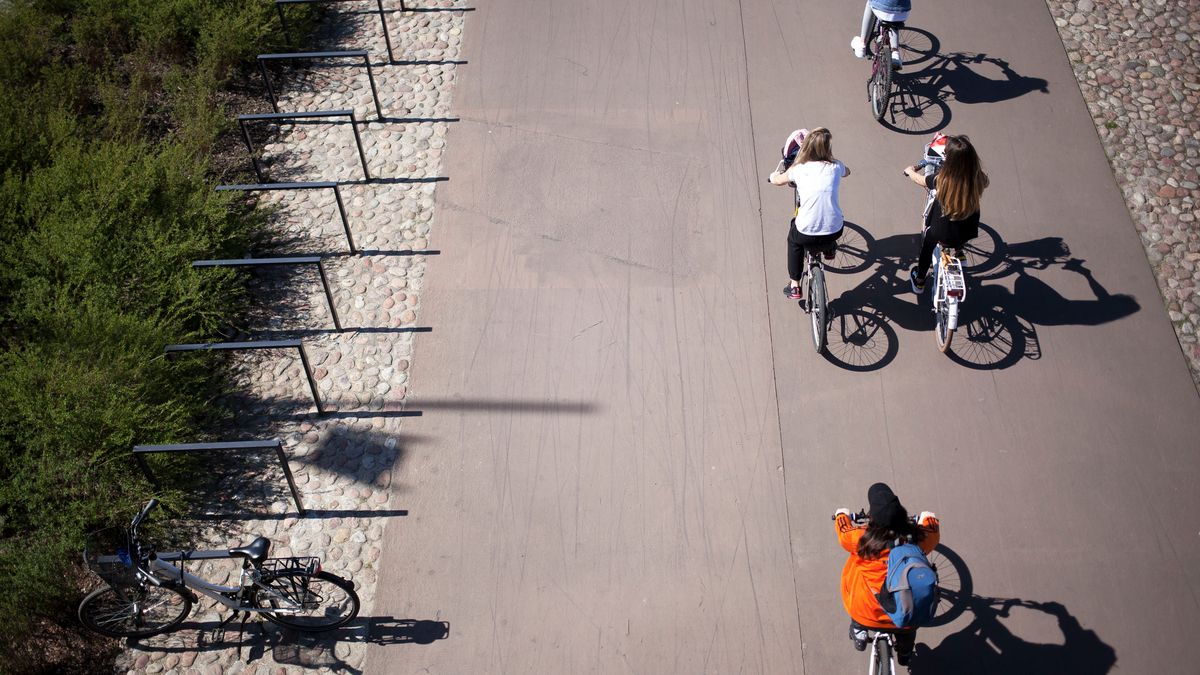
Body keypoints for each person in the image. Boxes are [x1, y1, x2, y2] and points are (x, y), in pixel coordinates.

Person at [834, 483, 939, 667]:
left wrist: (841, 515)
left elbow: (843, 530)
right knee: (908, 629)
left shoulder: (861, 539)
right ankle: (905, 653)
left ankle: (859, 630)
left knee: (857, 587)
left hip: (866, 612)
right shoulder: (917, 539)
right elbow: (933, 532)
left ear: (872, 516)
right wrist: (928, 518)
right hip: (905, 614)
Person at [767, 127, 851, 302]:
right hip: (835, 231)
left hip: (806, 232)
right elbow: (847, 172)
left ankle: (795, 285)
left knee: (794, 240)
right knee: (831, 222)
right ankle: (829, 250)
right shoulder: (836, 166)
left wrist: (773, 176)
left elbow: (778, 181)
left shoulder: (798, 169)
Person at [902, 135, 989, 293]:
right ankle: (959, 253)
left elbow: (920, 180)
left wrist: (910, 171)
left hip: (941, 232)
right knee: (961, 228)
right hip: (968, 229)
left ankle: (919, 281)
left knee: (928, 246)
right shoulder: (978, 178)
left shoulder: (942, 180)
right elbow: (985, 183)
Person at [850, 0, 911, 68]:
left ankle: (862, 45)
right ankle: (895, 54)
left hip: (883, 11)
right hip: (903, 13)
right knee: (894, 20)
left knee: (870, 3)